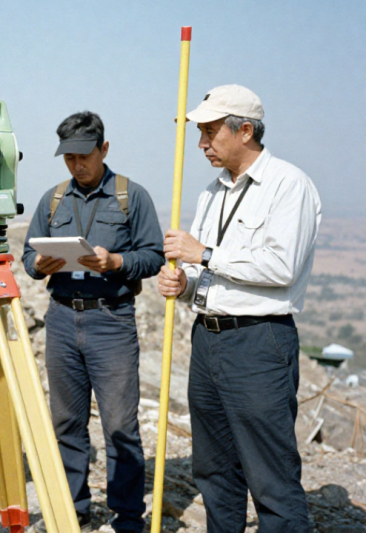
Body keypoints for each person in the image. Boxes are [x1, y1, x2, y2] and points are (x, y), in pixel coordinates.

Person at [157, 84, 320, 532]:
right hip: (207, 340)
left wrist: (203, 254)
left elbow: (280, 266)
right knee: (214, 470)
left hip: (258, 342)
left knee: (270, 475)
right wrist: (184, 283)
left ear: (244, 130)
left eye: (210, 132)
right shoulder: (213, 192)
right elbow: (208, 270)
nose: (202, 144)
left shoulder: (289, 185)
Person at [22, 111, 164, 533]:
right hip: (63, 320)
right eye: (68, 158)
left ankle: (127, 518)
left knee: (120, 425)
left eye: (84, 156)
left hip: (111, 320)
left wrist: (116, 261)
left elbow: (153, 256)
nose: (77, 165)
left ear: (104, 149)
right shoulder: (53, 199)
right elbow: (28, 259)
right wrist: (40, 264)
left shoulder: (130, 197)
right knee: (66, 421)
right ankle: (72, 511)